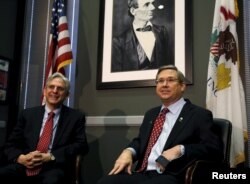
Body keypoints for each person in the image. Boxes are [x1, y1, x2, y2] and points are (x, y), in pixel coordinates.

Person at [98, 65, 223, 184]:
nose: (164, 84)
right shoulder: (151, 114)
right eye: (160, 81)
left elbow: (213, 149)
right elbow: (140, 141)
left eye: (170, 80)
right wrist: (128, 151)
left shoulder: (198, 115)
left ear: (182, 86)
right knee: (106, 181)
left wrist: (180, 149)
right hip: (143, 172)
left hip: (173, 175)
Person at [0, 72, 89, 184]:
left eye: (60, 88)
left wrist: (50, 156)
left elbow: (81, 146)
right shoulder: (28, 114)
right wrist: (20, 158)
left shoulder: (75, 117)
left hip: (53, 167)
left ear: (67, 95)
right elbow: (11, 144)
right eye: (51, 87)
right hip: (25, 164)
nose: (55, 91)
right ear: (45, 91)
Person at [111, 0, 174, 72]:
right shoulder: (119, 42)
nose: (153, 7)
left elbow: (170, 66)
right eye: (146, 5)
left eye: (152, 3)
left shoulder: (162, 32)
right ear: (133, 11)